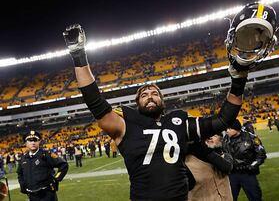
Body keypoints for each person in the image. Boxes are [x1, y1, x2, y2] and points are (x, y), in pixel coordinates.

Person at [63, 24, 247, 201]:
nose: (150, 96)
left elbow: (223, 120)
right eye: (144, 94)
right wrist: (78, 55)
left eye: (154, 93)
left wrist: (238, 80)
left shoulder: (178, 122)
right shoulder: (127, 125)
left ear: (162, 101)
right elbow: (95, 102)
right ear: (137, 103)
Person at [17, 130, 68, 201]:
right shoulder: (23, 158)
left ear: (39, 142)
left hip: (47, 194)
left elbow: (63, 165)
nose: (33, 142)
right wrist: (23, 185)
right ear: (26, 143)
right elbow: (20, 173)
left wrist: (56, 178)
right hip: (32, 196)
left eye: (35, 140)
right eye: (30, 140)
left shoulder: (46, 155)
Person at [223, 119, 267, 201]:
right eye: (226, 129)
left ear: (236, 128)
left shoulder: (251, 138)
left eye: (229, 129)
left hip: (247, 174)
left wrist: (252, 165)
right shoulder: (225, 139)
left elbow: (261, 154)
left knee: (255, 197)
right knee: (229, 198)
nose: (227, 131)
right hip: (231, 174)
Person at [186, 133, 233, 201]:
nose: (210, 138)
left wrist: (207, 151)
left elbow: (227, 167)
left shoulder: (224, 155)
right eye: (207, 135)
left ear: (221, 139)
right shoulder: (187, 160)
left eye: (214, 135)